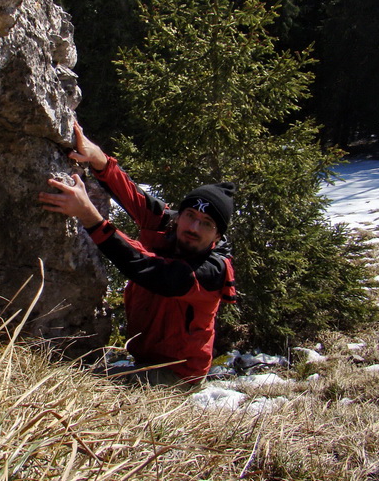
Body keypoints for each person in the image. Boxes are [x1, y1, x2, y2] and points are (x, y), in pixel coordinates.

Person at [39, 122, 236, 387]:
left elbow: (148, 269)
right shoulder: (171, 226)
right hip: (143, 360)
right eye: (190, 215)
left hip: (177, 376)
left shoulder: (211, 272)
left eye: (207, 224)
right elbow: (134, 195)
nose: (193, 227)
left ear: (218, 236)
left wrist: (89, 215)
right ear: (180, 216)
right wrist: (97, 158)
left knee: (83, 387)